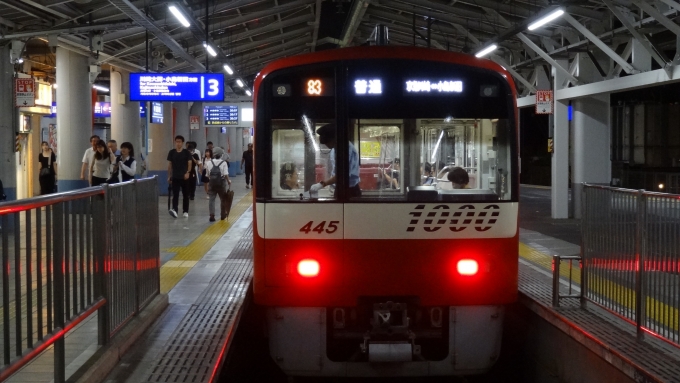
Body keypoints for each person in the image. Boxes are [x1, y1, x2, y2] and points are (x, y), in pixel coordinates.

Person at [310, 123, 361, 197]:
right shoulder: (336, 149)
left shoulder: (345, 149)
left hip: (349, 191)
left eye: (327, 142)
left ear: (334, 139)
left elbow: (341, 175)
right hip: (341, 188)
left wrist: (323, 184)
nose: (326, 146)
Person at [167, 135, 193, 218]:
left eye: (179, 142)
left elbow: (190, 163)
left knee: (186, 194)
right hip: (175, 176)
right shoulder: (172, 152)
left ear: (182, 143)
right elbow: (170, 164)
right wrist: (169, 176)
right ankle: (175, 210)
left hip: (185, 176)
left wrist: (188, 172)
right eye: (176, 142)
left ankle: (185, 211)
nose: (178, 143)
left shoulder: (186, 152)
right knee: (175, 194)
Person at [204, 152, 231, 222]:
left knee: (211, 199)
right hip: (221, 183)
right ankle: (222, 215)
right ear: (221, 156)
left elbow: (207, 174)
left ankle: (212, 215)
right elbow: (225, 174)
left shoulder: (209, 162)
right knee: (223, 199)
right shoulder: (224, 163)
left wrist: (212, 179)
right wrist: (228, 181)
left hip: (212, 183)